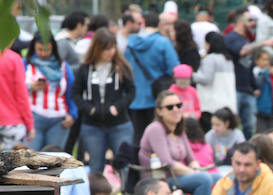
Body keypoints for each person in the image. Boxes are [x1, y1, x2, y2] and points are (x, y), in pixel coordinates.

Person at [73, 28, 135, 174]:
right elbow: (76, 94)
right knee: (95, 167)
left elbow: (131, 92)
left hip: (120, 125)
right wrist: (90, 109)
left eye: (113, 47)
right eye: (106, 49)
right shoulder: (85, 69)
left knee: (124, 167)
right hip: (92, 126)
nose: (110, 52)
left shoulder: (121, 67)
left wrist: (117, 107)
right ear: (97, 49)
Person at [139, 90, 220, 195]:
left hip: (178, 176)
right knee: (204, 179)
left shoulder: (179, 130)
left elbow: (191, 159)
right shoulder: (155, 129)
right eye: (170, 107)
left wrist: (196, 168)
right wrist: (193, 173)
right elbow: (167, 163)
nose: (176, 109)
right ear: (159, 111)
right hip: (160, 179)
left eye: (179, 105)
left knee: (218, 178)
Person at [126, 10, 180, 142]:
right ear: (160, 24)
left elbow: (125, 68)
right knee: (158, 136)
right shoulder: (163, 43)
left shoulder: (131, 44)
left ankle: (137, 161)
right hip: (158, 97)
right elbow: (175, 69)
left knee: (137, 137)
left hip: (135, 97)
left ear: (143, 23)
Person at [225, 9, 273, 139]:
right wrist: (264, 43)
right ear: (240, 21)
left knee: (249, 126)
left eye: (254, 20)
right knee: (233, 124)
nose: (253, 23)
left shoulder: (246, 39)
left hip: (248, 90)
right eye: (249, 20)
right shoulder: (231, 37)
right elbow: (242, 51)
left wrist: (254, 86)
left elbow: (248, 67)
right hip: (235, 89)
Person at [23, 34, 77, 151]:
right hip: (33, 116)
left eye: (47, 50)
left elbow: (72, 93)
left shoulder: (63, 66)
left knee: (54, 159)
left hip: (59, 119)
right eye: (39, 49)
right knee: (31, 159)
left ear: (53, 48)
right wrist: (30, 87)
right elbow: (14, 90)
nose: (43, 53)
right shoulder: (26, 64)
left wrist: (72, 114)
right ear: (34, 48)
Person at [194, 32, 238, 132]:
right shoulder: (228, 59)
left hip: (211, 106)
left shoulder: (210, 58)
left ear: (209, 44)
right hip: (228, 105)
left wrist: (190, 75)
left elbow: (206, 79)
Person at [0, 42, 34, 149]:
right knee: (14, 163)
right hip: (11, 123)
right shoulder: (13, 59)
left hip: (9, 122)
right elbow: (21, 95)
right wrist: (29, 124)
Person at [253, 49, 273, 133]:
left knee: (272, 132)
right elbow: (257, 86)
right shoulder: (263, 75)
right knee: (261, 132)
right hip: (262, 109)